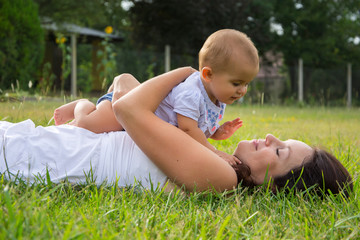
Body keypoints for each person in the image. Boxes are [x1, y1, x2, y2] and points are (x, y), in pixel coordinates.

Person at [0, 67, 353, 197]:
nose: (272, 139)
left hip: (35, 158)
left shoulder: (222, 178)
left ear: (272, 187)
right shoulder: (210, 155)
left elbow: (128, 107)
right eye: (281, 141)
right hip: (45, 145)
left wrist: (188, 73)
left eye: (279, 153)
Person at [53, 29, 259, 165]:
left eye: (246, 84)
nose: (242, 90)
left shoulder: (217, 96)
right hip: (124, 113)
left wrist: (217, 131)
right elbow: (188, 129)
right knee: (86, 126)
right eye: (236, 83)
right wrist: (215, 152)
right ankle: (80, 106)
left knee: (89, 133)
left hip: (140, 123)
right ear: (208, 74)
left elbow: (199, 127)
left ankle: (73, 121)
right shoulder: (192, 93)